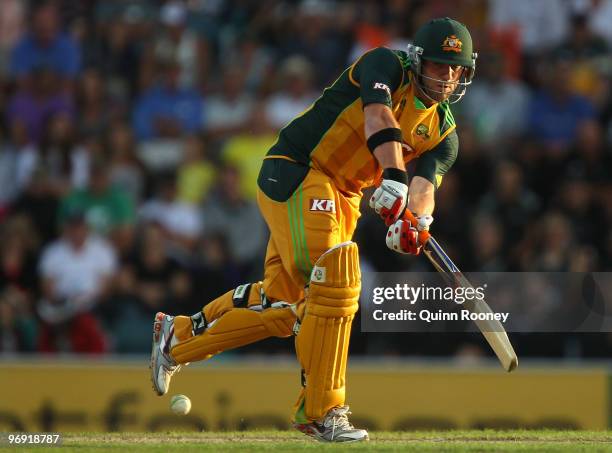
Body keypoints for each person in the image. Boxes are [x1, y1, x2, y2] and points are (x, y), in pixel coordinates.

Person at [150, 17, 477, 442]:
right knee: (336, 283)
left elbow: (425, 186)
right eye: (439, 65)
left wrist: (417, 221)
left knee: (286, 306)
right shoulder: (385, 65)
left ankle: (176, 339)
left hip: (345, 198)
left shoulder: (445, 132)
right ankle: (322, 410)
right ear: (417, 62)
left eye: (456, 70)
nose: (447, 77)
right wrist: (394, 175)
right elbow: (378, 117)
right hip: (300, 169)